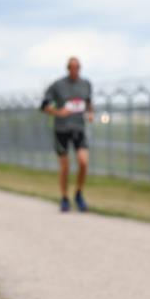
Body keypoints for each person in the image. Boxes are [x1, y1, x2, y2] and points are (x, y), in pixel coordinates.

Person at [40, 57, 94, 212]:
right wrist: (58, 112)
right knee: (65, 166)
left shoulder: (86, 84)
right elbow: (44, 106)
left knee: (83, 162)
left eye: (78, 67)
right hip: (61, 129)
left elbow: (88, 102)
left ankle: (78, 194)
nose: (75, 70)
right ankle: (64, 197)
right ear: (68, 68)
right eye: (72, 67)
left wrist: (90, 112)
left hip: (78, 128)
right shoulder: (58, 85)